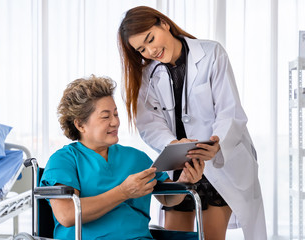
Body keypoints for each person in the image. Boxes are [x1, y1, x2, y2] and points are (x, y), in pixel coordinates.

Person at [117, 6, 266, 240]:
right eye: (141, 49)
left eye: (150, 39)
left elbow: (230, 111)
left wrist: (217, 144)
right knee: (175, 236)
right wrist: (175, 143)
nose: (151, 50)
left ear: (164, 24)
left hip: (219, 163)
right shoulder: (147, 75)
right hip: (182, 167)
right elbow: (149, 125)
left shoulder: (211, 53)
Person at [40, 75, 204, 240]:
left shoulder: (135, 158)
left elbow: (168, 198)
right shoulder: (63, 160)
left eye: (116, 114)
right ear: (80, 124)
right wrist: (123, 192)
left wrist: (185, 180)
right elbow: (67, 215)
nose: (115, 122)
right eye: (106, 116)